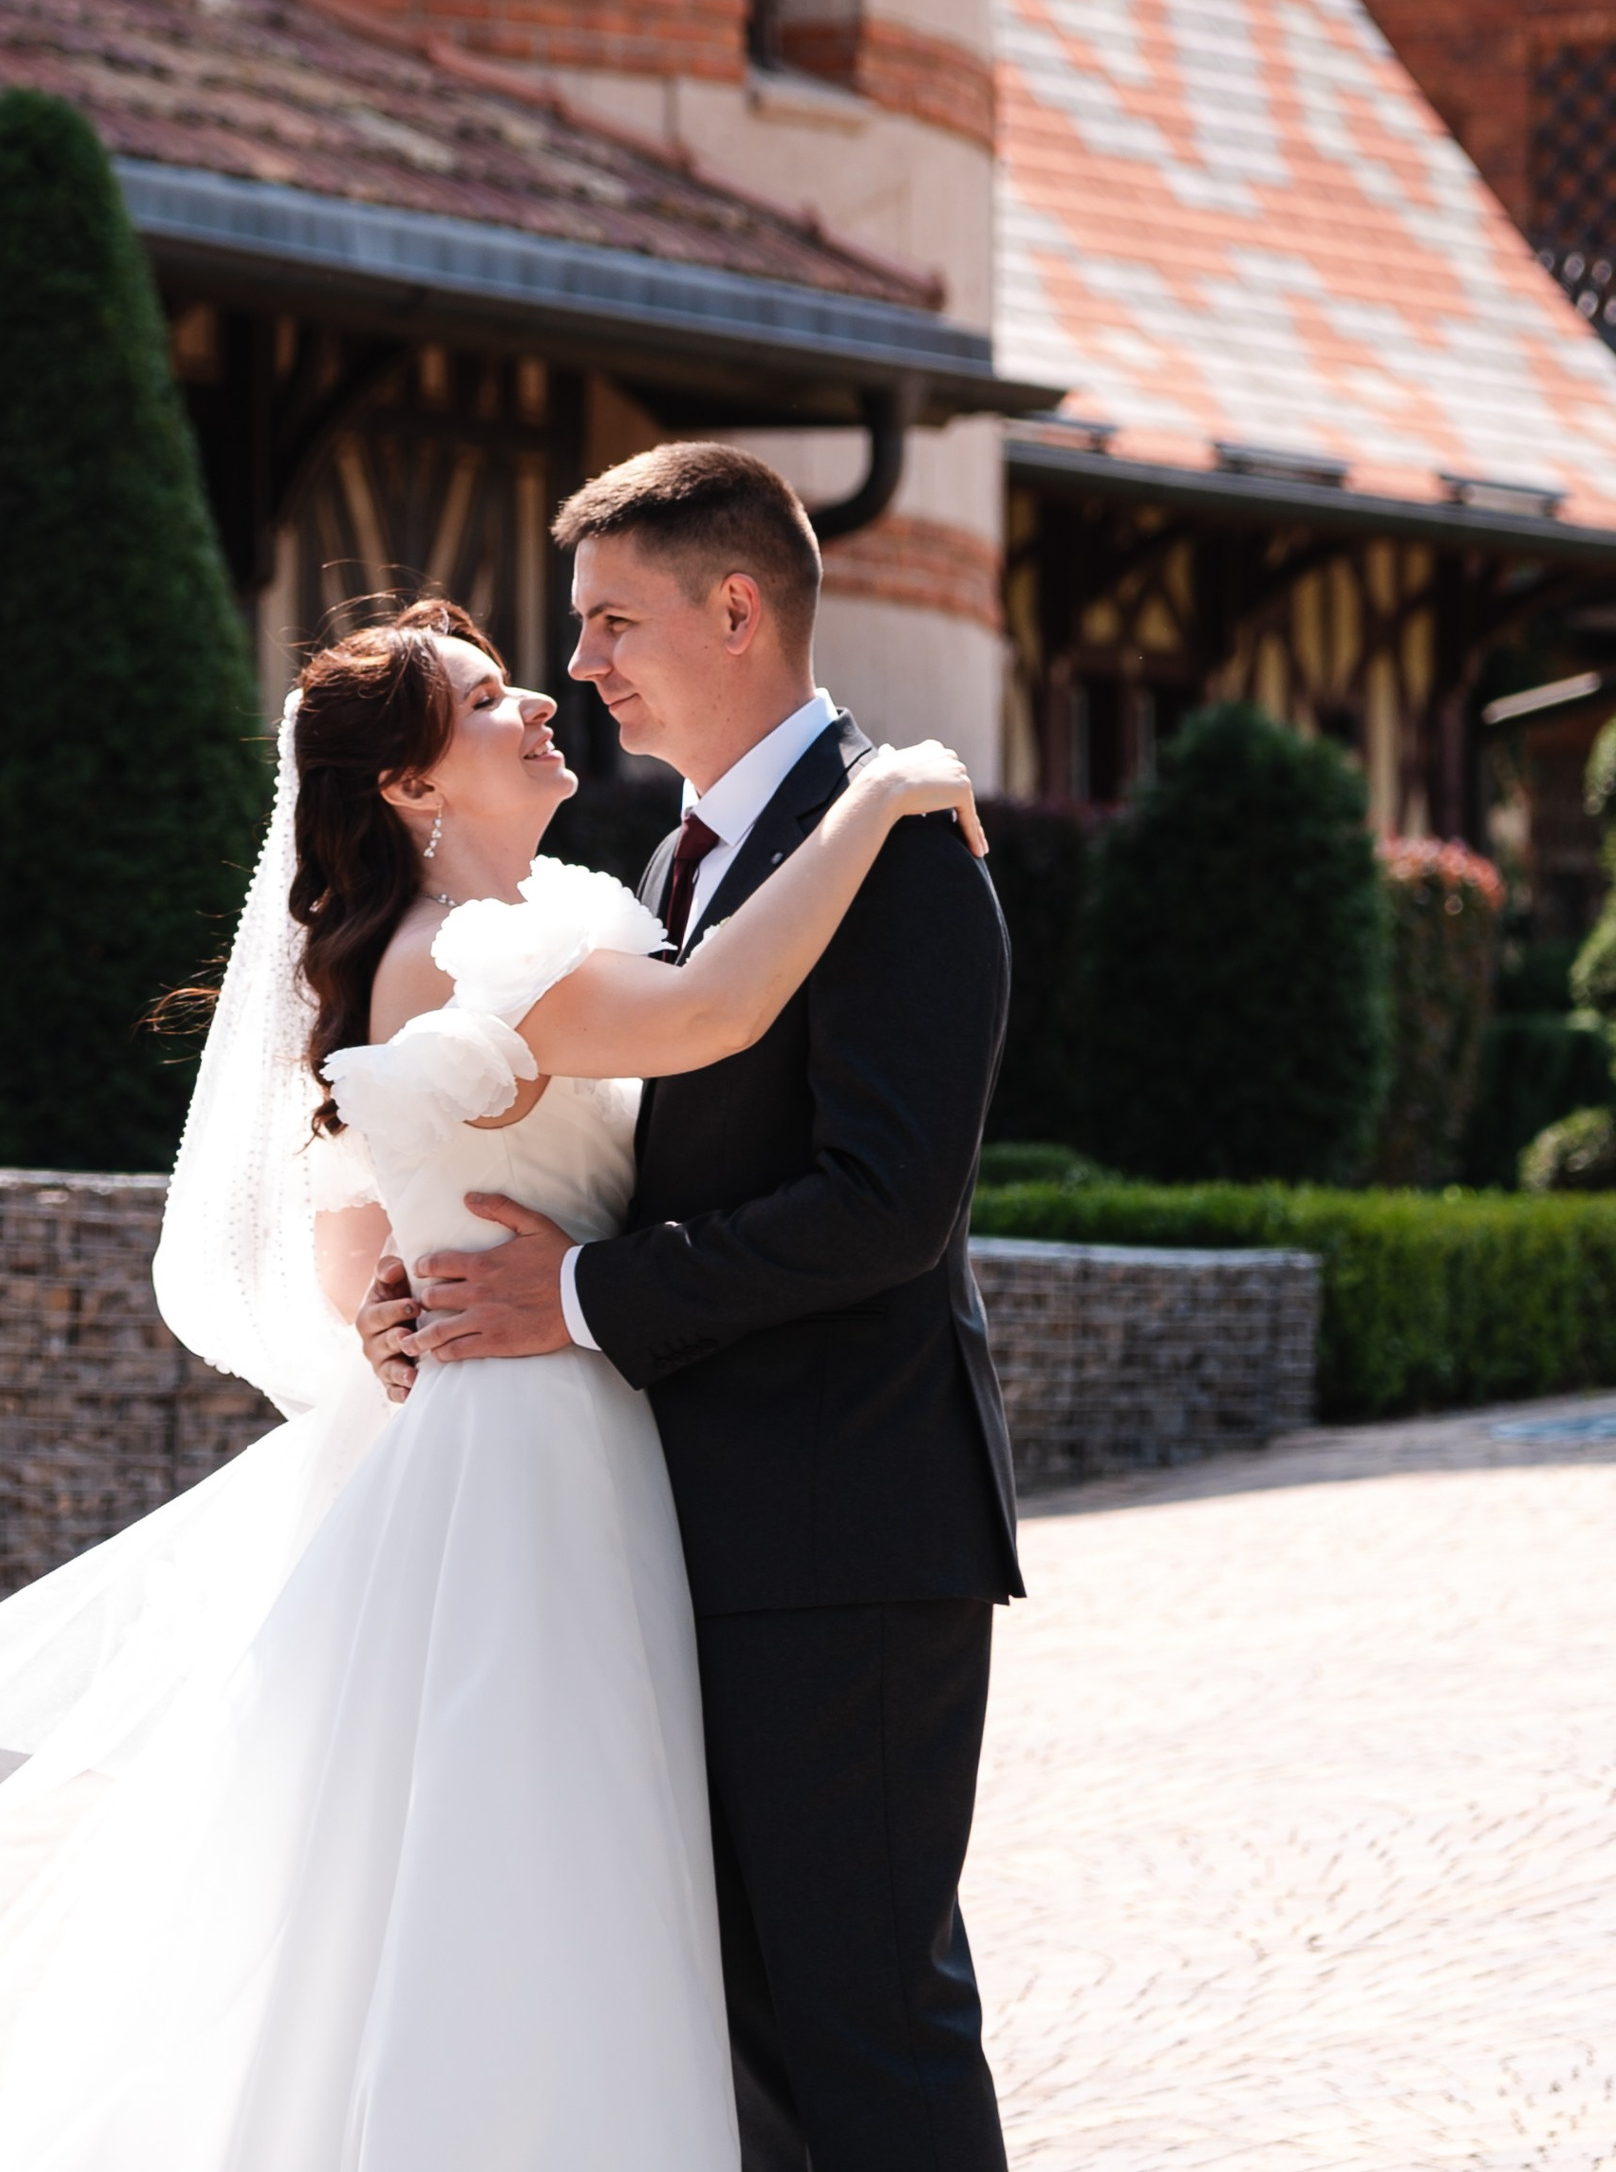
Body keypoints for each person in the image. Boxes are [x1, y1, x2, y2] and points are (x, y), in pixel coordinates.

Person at [0, 583, 984, 2172]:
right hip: (534, 1459)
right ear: (406, 785)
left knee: (503, 1886)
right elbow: (720, 1009)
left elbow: (346, 1243)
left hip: (536, 1421)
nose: (542, 704)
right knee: (541, 1882)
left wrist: (391, 1305)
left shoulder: (483, 933)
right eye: (486, 699)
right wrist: (878, 795)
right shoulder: (466, 946)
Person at [364, 444, 1023, 2171]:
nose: (578, 664)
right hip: (684, 1529)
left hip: (846, 1523)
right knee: (741, 2026)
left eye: (609, 622)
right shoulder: (668, 868)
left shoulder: (902, 835)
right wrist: (419, 1282)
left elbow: (888, 1211)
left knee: (866, 2017)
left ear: (737, 610)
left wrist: (572, 1295)